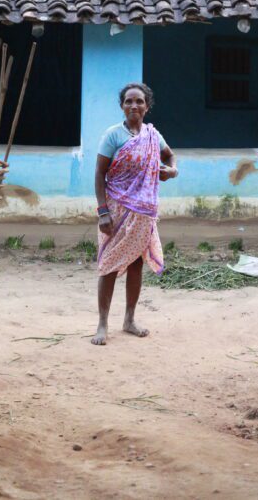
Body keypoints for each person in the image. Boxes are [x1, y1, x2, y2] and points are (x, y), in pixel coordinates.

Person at [91, 82, 177, 345]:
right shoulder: (113, 136)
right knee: (108, 264)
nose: (133, 105)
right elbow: (99, 174)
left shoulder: (153, 136)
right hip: (116, 211)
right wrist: (103, 211)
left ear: (147, 106)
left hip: (143, 214)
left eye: (139, 101)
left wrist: (171, 171)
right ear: (122, 106)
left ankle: (129, 319)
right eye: (128, 101)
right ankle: (103, 324)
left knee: (137, 263)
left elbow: (170, 157)